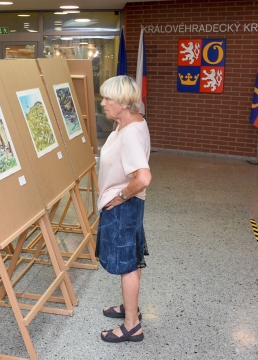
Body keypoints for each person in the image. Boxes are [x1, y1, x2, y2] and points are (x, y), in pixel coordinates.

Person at [96, 75, 151, 343]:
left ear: (123, 102)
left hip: (124, 208)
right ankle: (131, 309)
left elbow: (143, 177)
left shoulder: (129, 133)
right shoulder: (132, 121)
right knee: (133, 258)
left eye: (108, 98)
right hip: (131, 206)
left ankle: (131, 326)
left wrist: (118, 196)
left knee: (127, 265)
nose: (103, 102)